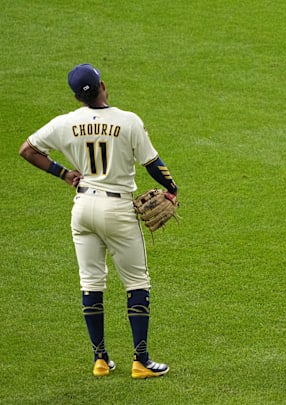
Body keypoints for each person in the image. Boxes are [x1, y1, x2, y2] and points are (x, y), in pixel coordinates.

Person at [19, 63, 178, 378]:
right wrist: (172, 189)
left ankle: (101, 360)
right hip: (117, 210)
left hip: (82, 208)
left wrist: (64, 173)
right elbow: (152, 163)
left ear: (77, 96)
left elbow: (28, 150)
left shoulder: (65, 123)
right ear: (103, 85)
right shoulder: (128, 121)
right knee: (136, 282)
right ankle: (141, 361)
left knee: (91, 282)